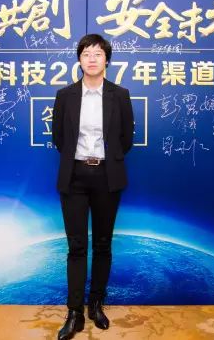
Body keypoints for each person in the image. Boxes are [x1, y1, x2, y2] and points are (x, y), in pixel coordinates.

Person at [52, 33, 134, 340]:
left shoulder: (120, 95)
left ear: (107, 60)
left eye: (98, 53)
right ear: (79, 60)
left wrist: (105, 161)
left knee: (102, 244)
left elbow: (126, 139)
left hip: (106, 176)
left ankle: (96, 304)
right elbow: (58, 138)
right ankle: (74, 312)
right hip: (74, 176)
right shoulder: (65, 95)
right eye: (86, 53)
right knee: (76, 246)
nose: (92, 58)